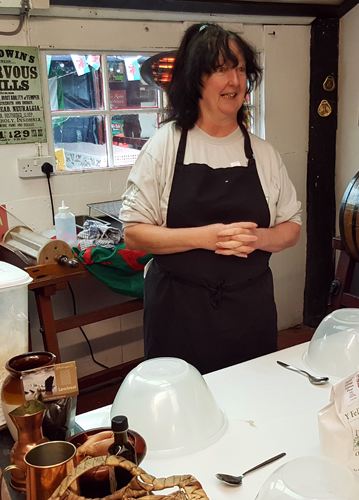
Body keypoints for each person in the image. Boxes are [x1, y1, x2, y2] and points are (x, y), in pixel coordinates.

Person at [119, 23, 301, 374]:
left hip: (250, 309)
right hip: (179, 312)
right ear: (195, 79)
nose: (234, 81)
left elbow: (292, 226)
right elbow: (135, 233)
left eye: (240, 69)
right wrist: (205, 237)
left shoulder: (263, 153)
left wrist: (260, 238)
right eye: (221, 69)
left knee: (252, 405)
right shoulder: (165, 146)